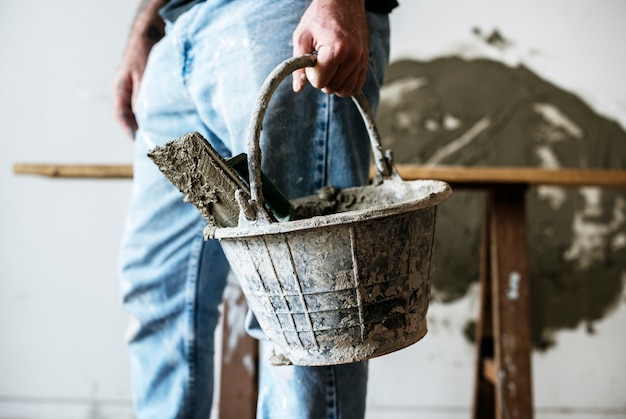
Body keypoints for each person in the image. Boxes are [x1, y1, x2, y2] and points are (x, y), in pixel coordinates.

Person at [113, 0, 398, 417]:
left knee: (308, 315)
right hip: (176, 32)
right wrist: (145, 29)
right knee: (159, 296)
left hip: (281, 18)